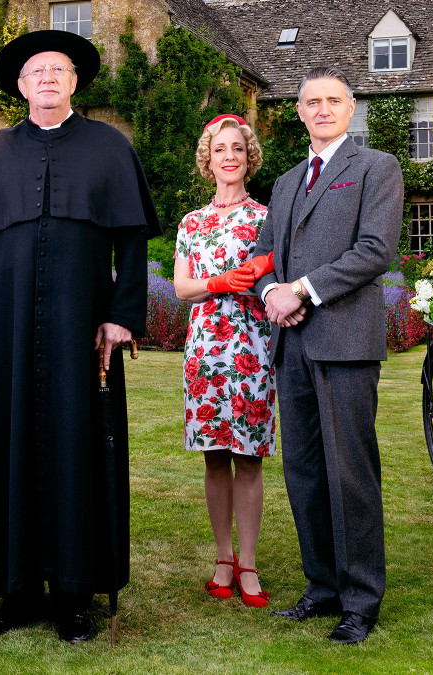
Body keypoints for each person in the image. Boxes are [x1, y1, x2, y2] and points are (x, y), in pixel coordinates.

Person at [0, 30, 160, 644]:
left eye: (57, 70)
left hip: (80, 333)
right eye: (36, 71)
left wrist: (122, 315)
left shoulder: (109, 147)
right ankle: (12, 591)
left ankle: (73, 595)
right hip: (3, 330)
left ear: (74, 82)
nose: (46, 78)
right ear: (20, 85)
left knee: (77, 451)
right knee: (2, 449)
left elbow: (134, 241)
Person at [249, 66, 403, 644]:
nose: (322, 110)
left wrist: (302, 290)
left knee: (351, 473)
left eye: (333, 101)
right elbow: (267, 255)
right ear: (298, 110)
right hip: (291, 346)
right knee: (305, 471)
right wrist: (270, 293)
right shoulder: (287, 182)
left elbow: (374, 250)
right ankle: (322, 585)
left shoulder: (375, 168)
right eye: (312, 102)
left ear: (351, 106)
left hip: (345, 342)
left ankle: (361, 600)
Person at [172, 114, 276, 608]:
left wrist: (257, 278)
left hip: (254, 348)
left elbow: (277, 280)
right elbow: (181, 288)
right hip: (207, 351)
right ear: (208, 159)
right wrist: (216, 283)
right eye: (220, 149)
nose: (229, 156)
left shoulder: (267, 219)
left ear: (249, 157)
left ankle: (249, 564)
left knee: (249, 459)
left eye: (237, 148)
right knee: (215, 458)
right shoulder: (191, 223)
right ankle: (222, 558)